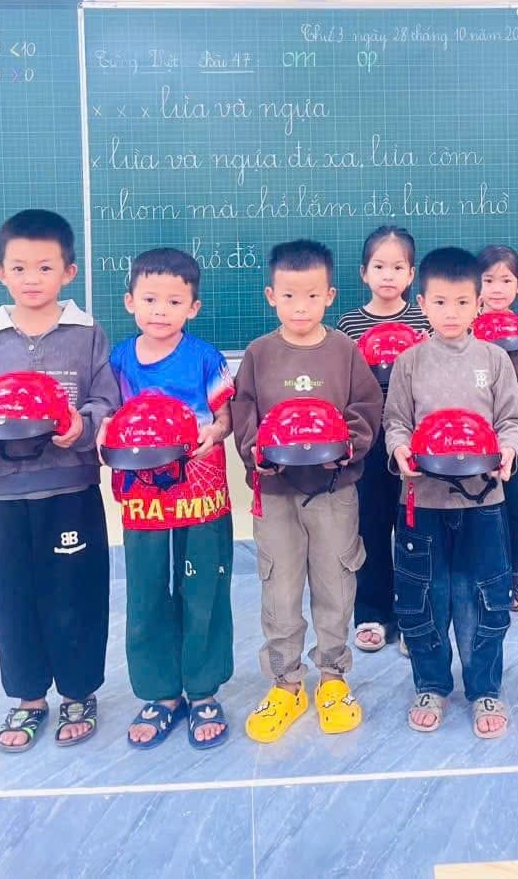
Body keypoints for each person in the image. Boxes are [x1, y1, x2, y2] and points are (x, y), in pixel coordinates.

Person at [0, 209, 119, 752]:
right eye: (19, 268)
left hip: (71, 490)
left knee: (76, 593)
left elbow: (106, 401)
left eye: (45, 267)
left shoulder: (87, 334)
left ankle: (79, 692)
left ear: (69, 272)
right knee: (14, 597)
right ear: (1, 273)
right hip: (7, 494)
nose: (32, 278)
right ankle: (28, 698)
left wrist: (79, 426)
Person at [232, 239, 383, 742]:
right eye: (290, 296)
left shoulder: (345, 351)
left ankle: (333, 677)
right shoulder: (258, 354)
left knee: (336, 582)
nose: (301, 307)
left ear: (330, 296)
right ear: (271, 296)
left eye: (312, 296)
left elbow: (366, 408)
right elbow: (244, 413)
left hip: (334, 490)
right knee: (279, 586)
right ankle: (287, 683)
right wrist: (257, 452)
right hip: (275, 492)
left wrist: (349, 447)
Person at [384, 246, 518, 739]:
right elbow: (395, 422)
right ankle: (431, 684)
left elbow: (511, 420)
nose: (451, 313)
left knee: (482, 594)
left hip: (484, 502)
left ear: (478, 303)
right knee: (425, 595)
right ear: (422, 303)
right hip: (422, 500)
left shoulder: (494, 359)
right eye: (440, 302)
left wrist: (508, 449)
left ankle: (485, 686)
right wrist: (400, 449)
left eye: (462, 302)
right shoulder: (409, 362)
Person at [102, 248, 235, 750]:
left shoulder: (206, 357)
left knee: (204, 588)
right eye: (150, 299)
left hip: (200, 485)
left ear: (193, 307)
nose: (161, 310)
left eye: (174, 301)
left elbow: (225, 417)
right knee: (147, 589)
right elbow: (108, 415)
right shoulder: (118, 360)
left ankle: (203, 690)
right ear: (130, 301)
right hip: (143, 493)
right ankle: (160, 693)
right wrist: (105, 431)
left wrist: (214, 433)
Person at [337, 226, 428, 653]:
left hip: (414, 440)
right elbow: (342, 385)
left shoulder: (424, 320)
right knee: (370, 527)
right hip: (368, 441)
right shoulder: (348, 325)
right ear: (364, 272)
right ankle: (372, 612)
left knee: (414, 527)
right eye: (379, 266)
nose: (388, 275)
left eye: (397, 267)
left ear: (411, 274)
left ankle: (414, 614)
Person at [476, 244, 518, 611]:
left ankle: (515, 578)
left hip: (517, 434)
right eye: (488, 280)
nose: (497, 289)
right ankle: (483, 578)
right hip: (473, 438)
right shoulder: (464, 327)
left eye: (506, 280)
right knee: (481, 510)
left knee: (517, 508)